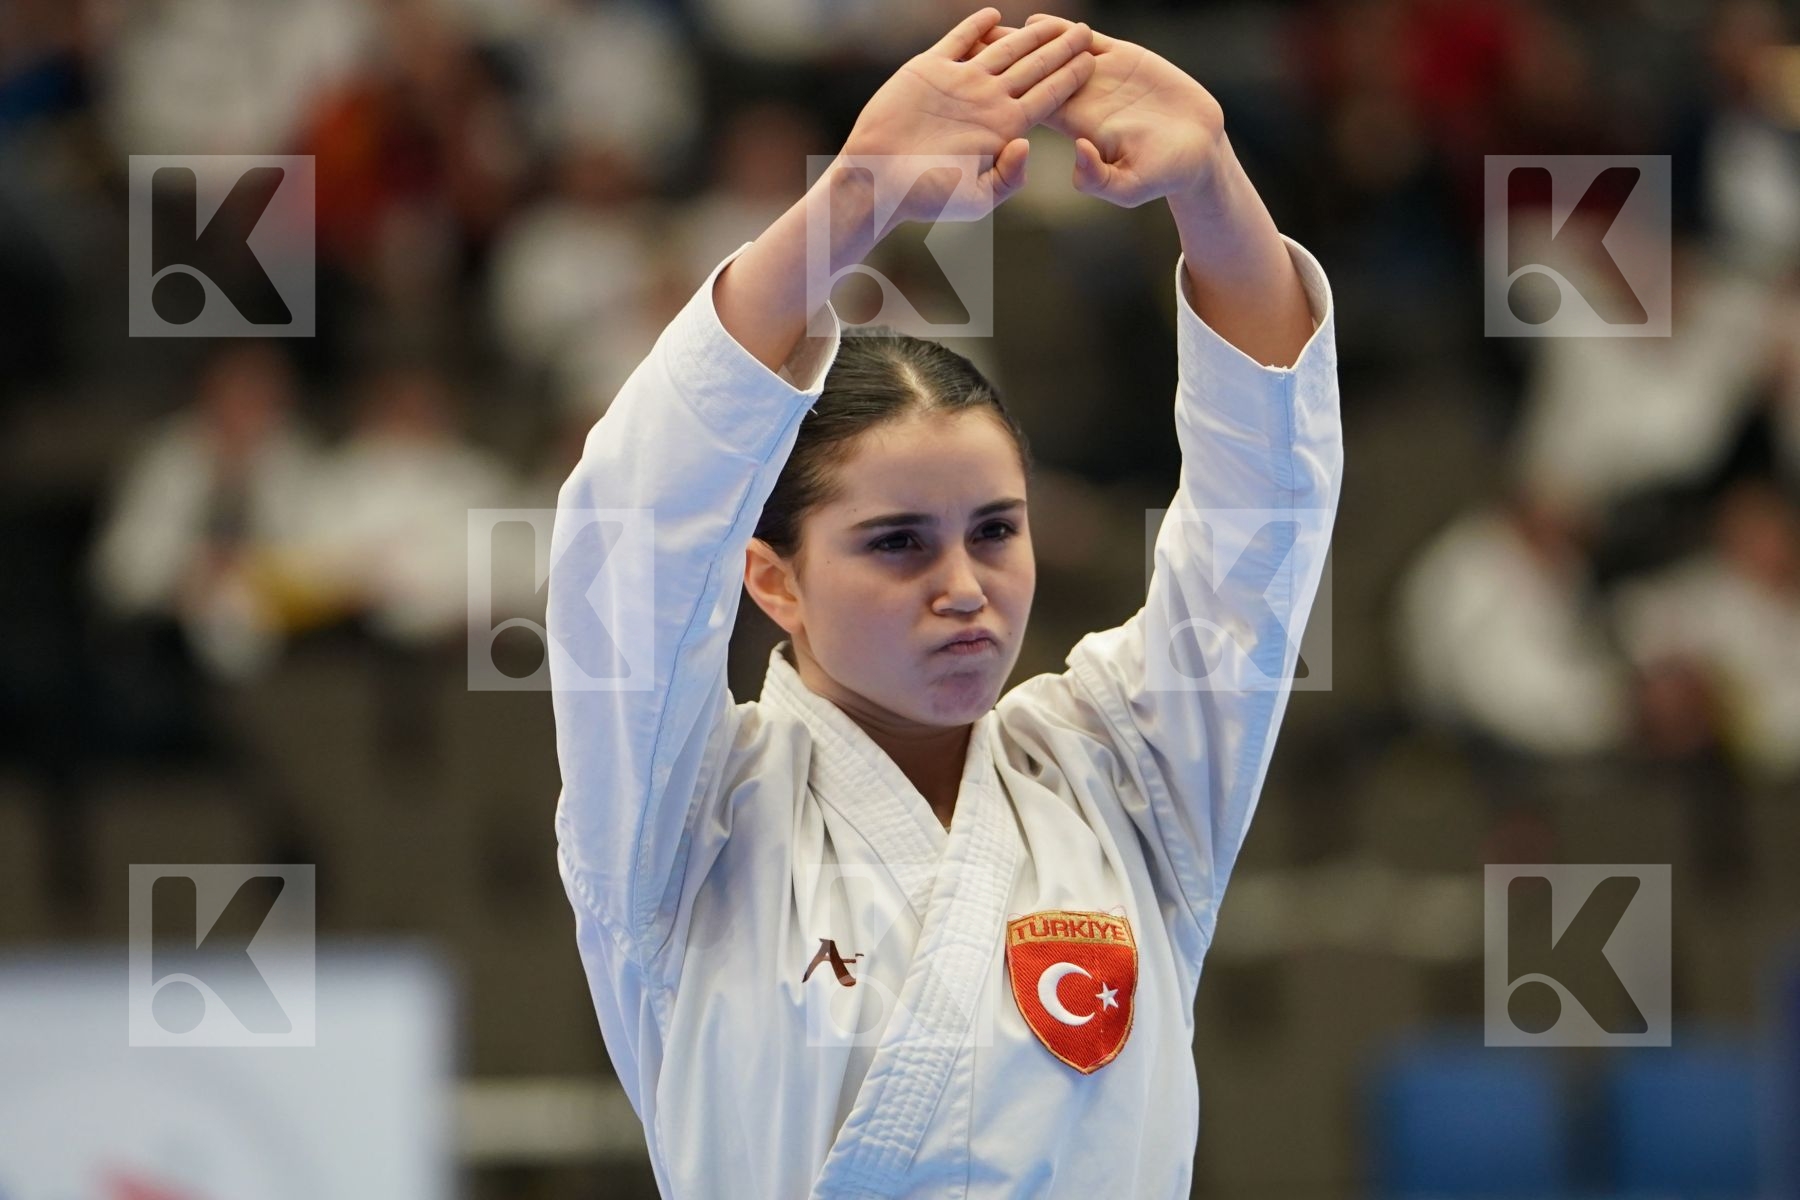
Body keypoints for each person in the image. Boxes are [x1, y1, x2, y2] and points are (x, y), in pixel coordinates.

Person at [548, 10, 1341, 1197]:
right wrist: (854, 200)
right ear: (773, 578)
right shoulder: (687, 822)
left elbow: (1260, 525)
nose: (963, 589)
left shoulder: (1123, 773)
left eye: (994, 532)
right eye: (897, 544)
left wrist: (1215, 187)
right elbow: (630, 543)